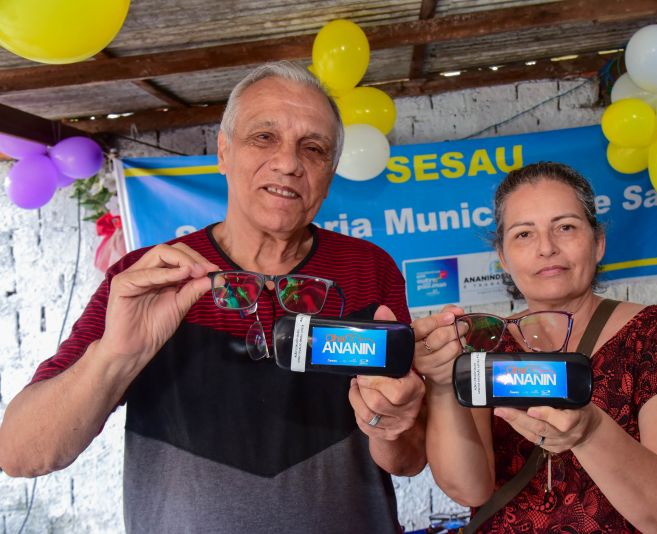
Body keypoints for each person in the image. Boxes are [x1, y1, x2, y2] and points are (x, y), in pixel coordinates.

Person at [0, 61, 426, 533]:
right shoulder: (148, 280)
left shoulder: (369, 270)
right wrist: (116, 357)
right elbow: (21, 454)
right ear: (223, 151)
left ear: (328, 172)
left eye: (314, 147)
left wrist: (393, 423)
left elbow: (407, 460)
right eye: (263, 137)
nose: (288, 162)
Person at [412, 162, 657, 532]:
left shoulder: (656, 333)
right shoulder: (485, 343)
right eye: (524, 234)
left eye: (565, 227)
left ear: (598, 243)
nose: (546, 248)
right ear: (503, 257)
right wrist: (441, 383)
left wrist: (589, 431)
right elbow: (469, 489)